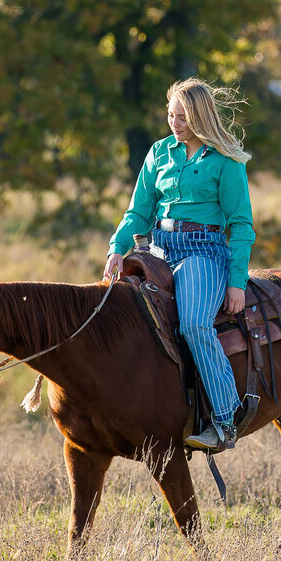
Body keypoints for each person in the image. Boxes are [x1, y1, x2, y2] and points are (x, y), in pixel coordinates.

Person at [104, 78, 255, 452]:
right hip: (157, 248)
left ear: (201, 117)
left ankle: (224, 419)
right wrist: (116, 248)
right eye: (171, 115)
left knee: (193, 324)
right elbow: (138, 211)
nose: (175, 123)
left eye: (183, 117)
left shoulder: (226, 161)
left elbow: (241, 225)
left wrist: (236, 281)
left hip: (203, 252)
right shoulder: (158, 152)